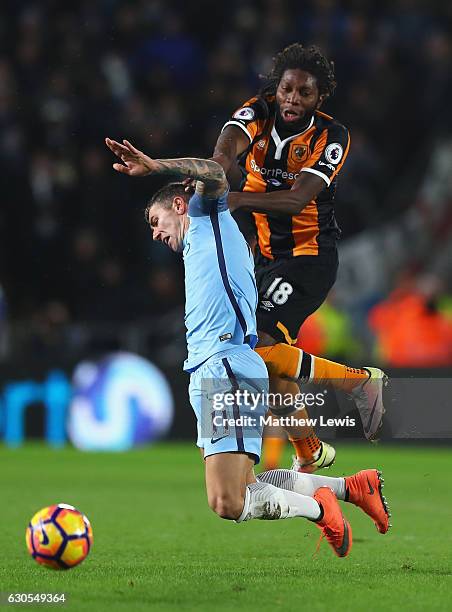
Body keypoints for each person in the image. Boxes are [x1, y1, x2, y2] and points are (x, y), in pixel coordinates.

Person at [104, 137, 391, 557]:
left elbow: (216, 174)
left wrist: (156, 164)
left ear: (179, 205)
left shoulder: (207, 216)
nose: (154, 232)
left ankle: (319, 507)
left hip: (226, 367)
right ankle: (350, 488)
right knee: (245, 488)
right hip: (208, 368)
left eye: (155, 220)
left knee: (228, 501)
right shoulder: (199, 247)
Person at [210, 43, 387, 472]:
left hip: (309, 258)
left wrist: (233, 197)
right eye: (287, 89)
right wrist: (216, 168)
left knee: (258, 346)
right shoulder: (258, 112)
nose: (292, 99)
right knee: (269, 367)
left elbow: (296, 200)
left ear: (319, 98)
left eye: (304, 93)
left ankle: (362, 382)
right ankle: (310, 449)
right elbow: (227, 149)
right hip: (266, 260)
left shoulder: (332, 137)